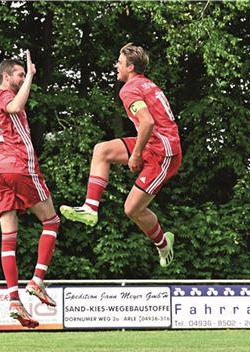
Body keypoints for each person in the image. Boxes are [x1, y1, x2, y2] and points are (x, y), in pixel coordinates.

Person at [59, 43, 182, 268]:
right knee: (101, 150)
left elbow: (147, 122)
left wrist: (135, 155)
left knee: (132, 209)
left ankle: (164, 245)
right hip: (154, 142)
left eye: (120, 62)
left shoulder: (129, 89)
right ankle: (90, 208)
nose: (117, 65)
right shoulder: (146, 84)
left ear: (131, 67)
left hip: (164, 152)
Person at [0, 52, 60, 328]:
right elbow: (16, 107)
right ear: (6, 76)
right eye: (18, 74)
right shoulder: (5, 95)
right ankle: (38, 280)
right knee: (52, 221)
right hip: (18, 166)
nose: (23, 77)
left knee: (9, 237)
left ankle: (14, 300)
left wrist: (28, 76)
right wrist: (29, 76)